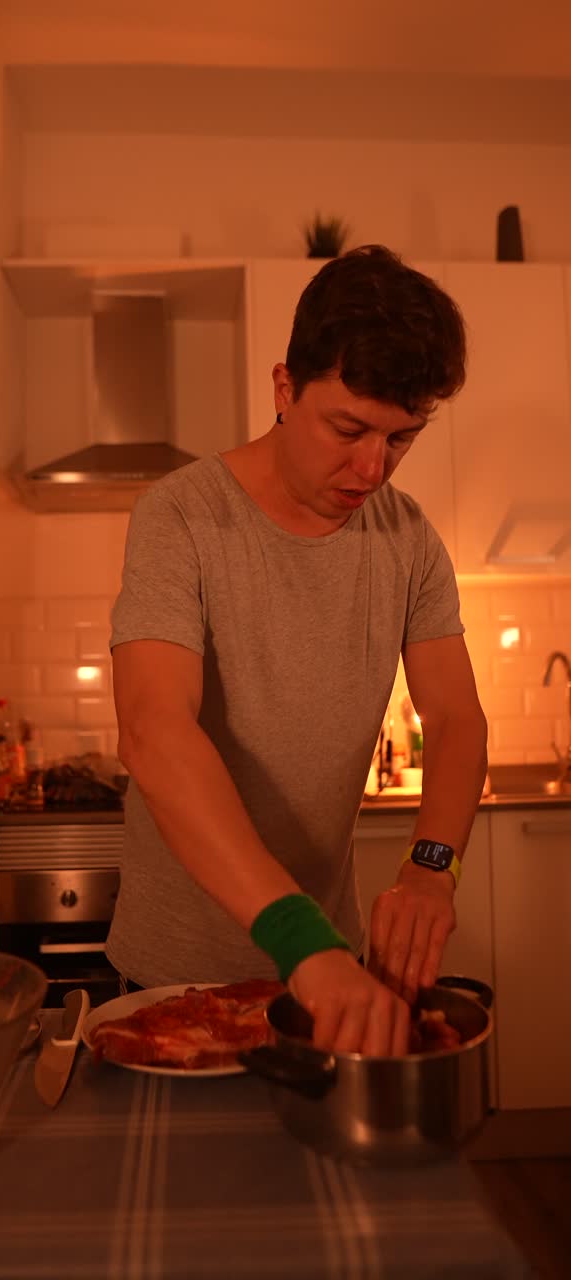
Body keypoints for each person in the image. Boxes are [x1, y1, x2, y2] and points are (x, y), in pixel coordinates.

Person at [105, 244, 488, 1056]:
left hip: (326, 971)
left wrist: (431, 865)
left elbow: (455, 717)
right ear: (285, 388)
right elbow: (154, 732)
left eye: (402, 438)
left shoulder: (407, 537)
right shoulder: (181, 518)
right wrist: (296, 936)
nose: (372, 468)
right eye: (347, 428)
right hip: (175, 977)